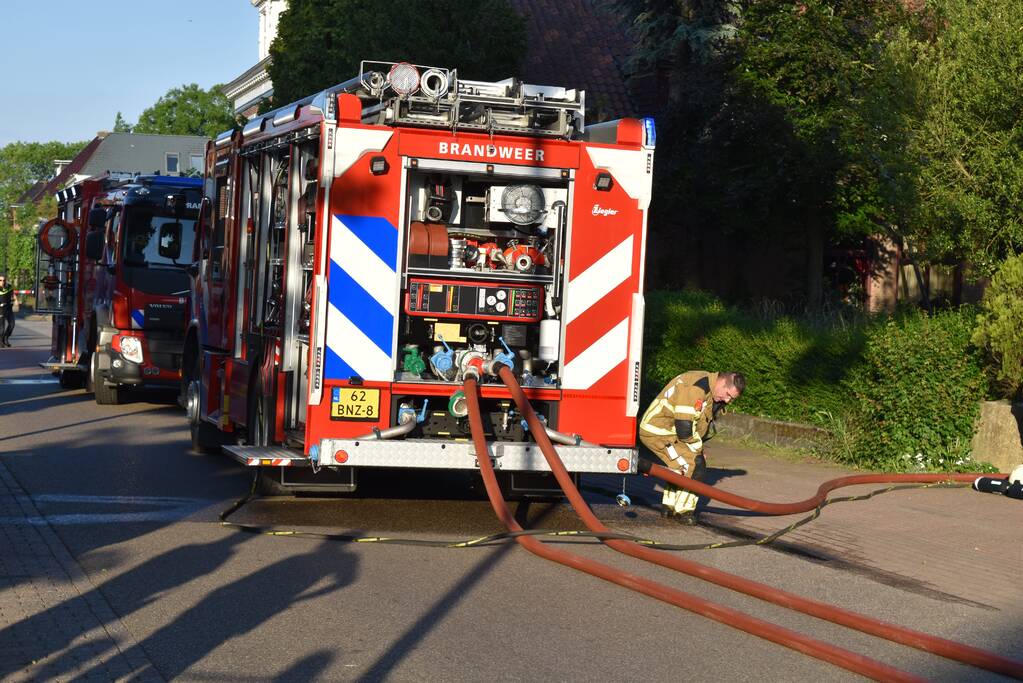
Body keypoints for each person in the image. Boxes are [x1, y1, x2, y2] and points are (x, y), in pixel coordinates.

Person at [639, 370, 745, 524]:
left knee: (680, 464)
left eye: (731, 399)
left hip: (667, 431)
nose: (727, 401)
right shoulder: (697, 387)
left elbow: (693, 424)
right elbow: (684, 428)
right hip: (659, 432)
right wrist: (698, 450)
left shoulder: (708, 386)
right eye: (728, 395)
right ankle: (683, 512)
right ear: (722, 383)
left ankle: (669, 507)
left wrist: (696, 448)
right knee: (695, 465)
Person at [0, 274, 19, 347]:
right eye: (0, 280)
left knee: (12, 324)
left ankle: (6, 338)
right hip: (1, 309)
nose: (2, 282)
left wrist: (16, 300)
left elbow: (13, 294)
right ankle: (1, 341)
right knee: (2, 327)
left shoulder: (9, 286)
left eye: (4, 280)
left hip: (8, 308)